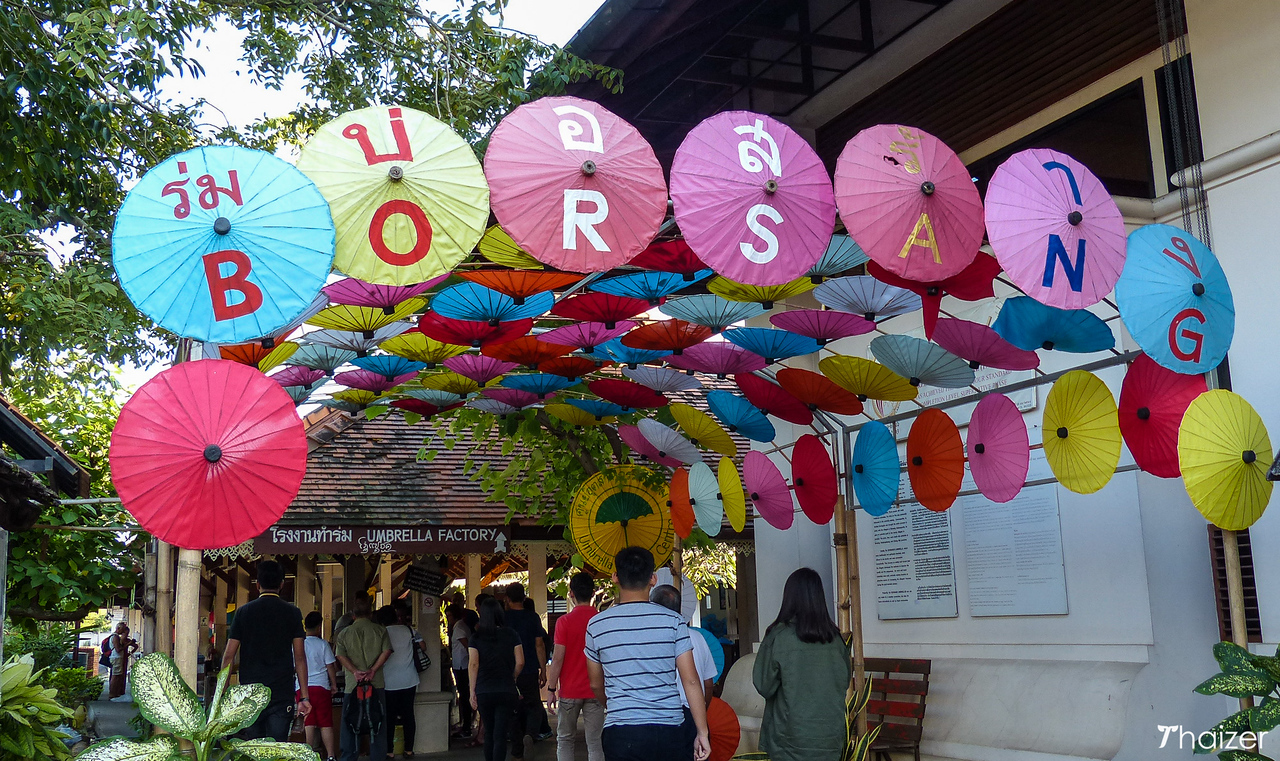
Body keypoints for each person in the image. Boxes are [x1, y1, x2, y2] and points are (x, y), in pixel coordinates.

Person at [585, 547, 710, 761]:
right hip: (669, 728)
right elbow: (690, 681)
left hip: (621, 730)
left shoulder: (597, 625)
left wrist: (618, 705)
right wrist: (702, 732)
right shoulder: (674, 621)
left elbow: (596, 684)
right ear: (653, 578)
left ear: (615, 577)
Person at [752, 568, 852, 761]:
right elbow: (844, 682)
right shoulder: (837, 640)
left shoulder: (779, 637)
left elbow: (764, 685)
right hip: (830, 738)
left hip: (789, 739)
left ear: (789, 597)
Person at [224, 560, 311, 740]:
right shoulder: (292, 613)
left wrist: (223, 694)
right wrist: (304, 697)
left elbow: (228, 656)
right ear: (281, 584)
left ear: (258, 585)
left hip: (250, 692)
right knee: (277, 748)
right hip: (281, 692)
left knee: (254, 749)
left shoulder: (243, 613)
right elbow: (300, 657)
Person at [545, 572, 603, 761]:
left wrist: (551, 688)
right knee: (595, 742)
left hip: (569, 691)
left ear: (571, 593)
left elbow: (558, 658)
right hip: (596, 691)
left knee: (565, 740)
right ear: (593, 593)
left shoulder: (564, 622)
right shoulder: (601, 620)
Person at [335, 595, 392, 761]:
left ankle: (349, 756)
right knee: (378, 721)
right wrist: (373, 670)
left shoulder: (344, 633)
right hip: (376, 683)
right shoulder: (381, 630)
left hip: (353, 685)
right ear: (370, 614)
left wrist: (354, 671)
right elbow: (386, 651)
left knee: (350, 722)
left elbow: (340, 655)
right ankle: (378, 756)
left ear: (353, 615)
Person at [469, 597, 524, 761]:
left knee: (489, 733)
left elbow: (473, 664)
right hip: (506, 689)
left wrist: (472, 691)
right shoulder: (511, 634)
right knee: (500, 735)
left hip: (484, 690)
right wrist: (512, 676)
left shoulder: (476, 638)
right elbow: (521, 661)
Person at [650, 585, 716, 710]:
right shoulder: (698, 637)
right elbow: (708, 683)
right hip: (694, 708)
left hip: (664, 710)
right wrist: (702, 709)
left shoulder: (651, 639)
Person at [502, 582, 547, 760]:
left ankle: (517, 751)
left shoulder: (504, 618)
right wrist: (543, 670)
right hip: (529, 669)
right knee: (534, 706)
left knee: (513, 710)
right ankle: (531, 733)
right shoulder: (532, 617)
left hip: (509, 670)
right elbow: (539, 644)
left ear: (507, 598)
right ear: (524, 597)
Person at [379, 604, 425, 759]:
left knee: (389, 717)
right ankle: (409, 749)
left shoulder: (382, 633)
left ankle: (389, 750)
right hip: (409, 679)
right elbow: (423, 646)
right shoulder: (409, 630)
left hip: (388, 681)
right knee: (408, 715)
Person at [297, 612, 339, 761]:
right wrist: (333, 684)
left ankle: (308, 755)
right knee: (325, 723)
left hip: (302, 688)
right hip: (321, 687)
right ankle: (331, 756)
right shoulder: (323, 644)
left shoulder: (299, 644)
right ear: (319, 626)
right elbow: (330, 667)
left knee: (307, 722)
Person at [447, 604, 475, 738]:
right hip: (461, 664)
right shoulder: (460, 626)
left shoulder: (458, 627)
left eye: (449, 616)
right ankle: (466, 723)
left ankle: (467, 726)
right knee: (463, 695)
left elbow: (467, 644)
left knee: (464, 696)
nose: (448, 619)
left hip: (462, 665)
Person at [107, 622, 138, 699]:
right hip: (116, 657)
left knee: (117, 676)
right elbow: (118, 649)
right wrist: (128, 644)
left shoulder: (117, 637)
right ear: (119, 628)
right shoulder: (115, 637)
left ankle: (115, 692)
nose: (123, 632)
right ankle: (112, 693)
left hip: (117, 658)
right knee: (115, 676)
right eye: (123, 630)